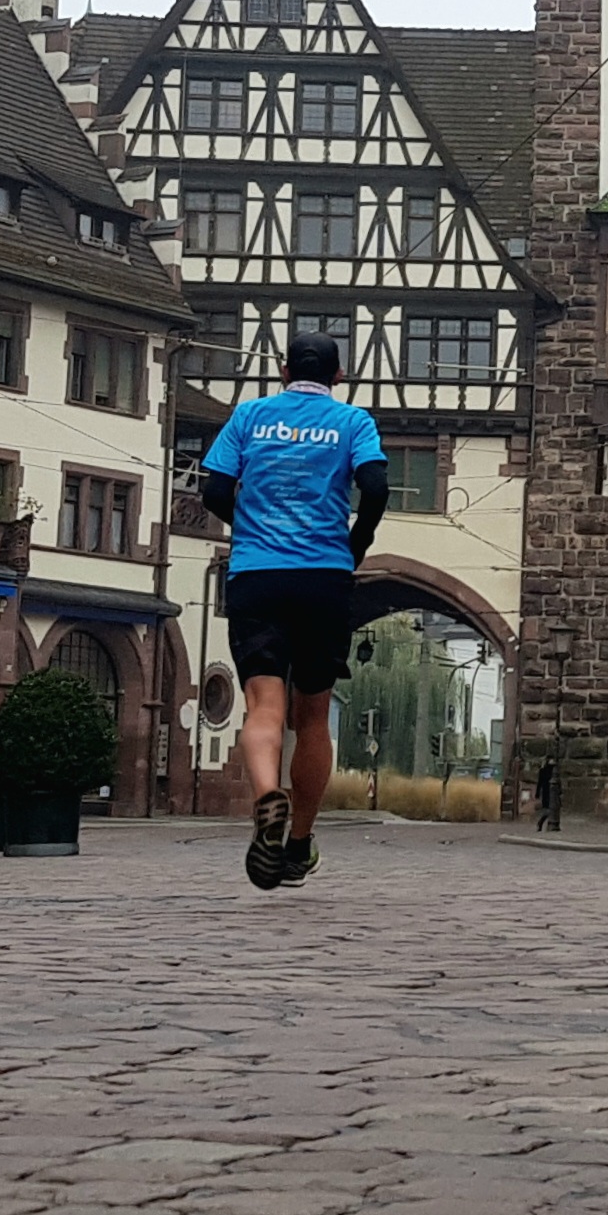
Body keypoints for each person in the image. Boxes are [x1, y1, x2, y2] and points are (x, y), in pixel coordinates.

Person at [196, 334, 386, 891]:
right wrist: (357, 540)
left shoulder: (250, 416)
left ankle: (265, 799)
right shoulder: (353, 422)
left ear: (282, 370)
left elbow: (213, 490)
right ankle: (298, 843)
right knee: (312, 717)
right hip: (324, 577)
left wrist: (248, 523)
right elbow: (374, 486)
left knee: (263, 706)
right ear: (339, 375)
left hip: (257, 575)